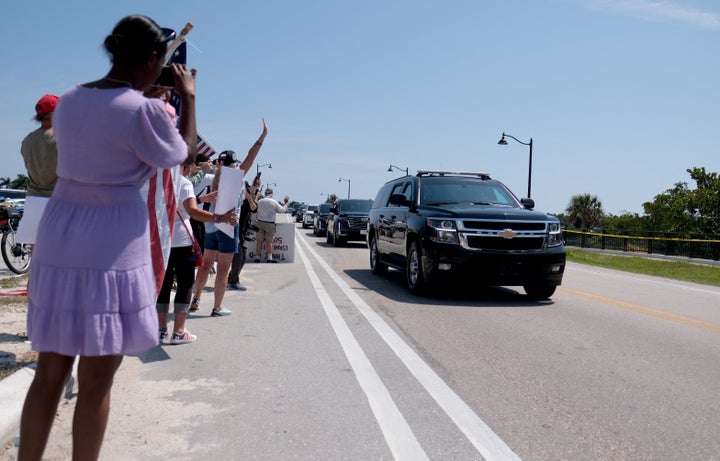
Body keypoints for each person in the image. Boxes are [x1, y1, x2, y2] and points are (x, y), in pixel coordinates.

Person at [19, 15, 197, 461]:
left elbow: (107, 120)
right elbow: (183, 153)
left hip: (61, 227)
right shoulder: (146, 111)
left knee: (48, 374)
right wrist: (187, 99)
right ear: (154, 59)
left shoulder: (72, 99)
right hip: (111, 237)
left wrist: (145, 97)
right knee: (97, 380)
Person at [191, 119, 267, 315]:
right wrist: (262, 137)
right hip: (228, 227)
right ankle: (217, 307)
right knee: (223, 269)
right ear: (234, 164)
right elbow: (252, 155)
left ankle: (196, 299)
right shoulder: (236, 177)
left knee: (206, 266)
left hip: (211, 226)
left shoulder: (212, 176)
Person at [157, 160, 237, 344]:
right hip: (181, 241)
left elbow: (177, 205)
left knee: (164, 284)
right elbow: (192, 211)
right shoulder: (183, 182)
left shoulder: (159, 181)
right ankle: (179, 331)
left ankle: (161, 330)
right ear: (186, 166)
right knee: (185, 284)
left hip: (162, 240)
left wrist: (201, 199)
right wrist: (219, 218)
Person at [16, 94, 59, 246]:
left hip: (33, 200)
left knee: (37, 251)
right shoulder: (60, 138)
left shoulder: (27, 140)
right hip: (57, 200)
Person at [254, 187, 290, 263]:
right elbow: (282, 210)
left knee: (259, 241)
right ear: (271, 194)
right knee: (269, 241)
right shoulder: (274, 202)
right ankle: (269, 258)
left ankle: (257, 257)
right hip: (270, 224)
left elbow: (254, 210)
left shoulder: (260, 202)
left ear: (265, 194)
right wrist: (286, 204)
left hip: (260, 222)